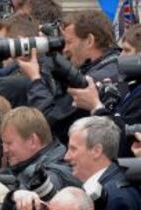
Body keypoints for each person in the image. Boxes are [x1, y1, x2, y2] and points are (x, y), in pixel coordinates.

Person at [18, 10, 120, 143]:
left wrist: (35, 79)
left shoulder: (91, 82)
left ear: (89, 41)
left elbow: (48, 122)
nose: (64, 49)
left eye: (69, 42)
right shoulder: (113, 65)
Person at [0, 107, 80, 198]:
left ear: (32, 141)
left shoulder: (54, 174)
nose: (4, 150)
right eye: (3, 143)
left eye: (9, 143)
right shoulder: (24, 167)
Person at [65, 116, 141, 210]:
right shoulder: (107, 187)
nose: (66, 156)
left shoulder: (117, 197)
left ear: (96, 151)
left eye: (73, 149)